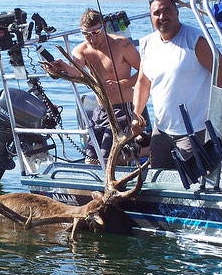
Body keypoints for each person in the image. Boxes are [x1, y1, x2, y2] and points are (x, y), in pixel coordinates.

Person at [132, 0, 222, 169]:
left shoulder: (195, 39)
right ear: (151, 17)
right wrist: (136, 115)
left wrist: (216, 117)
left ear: (176, 11)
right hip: (161, 131)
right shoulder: (147, 44)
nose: (162, 16)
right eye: (156, 13)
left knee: (194, 184)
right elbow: (143, 82)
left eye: (167, 10)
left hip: (194, 130)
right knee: (158, 180)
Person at [48, 8, 150, 165]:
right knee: (91, 161)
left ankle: (152, 148)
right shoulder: (81, 50)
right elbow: (76, 74)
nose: (91, 38)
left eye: (95, 33)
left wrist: (122, 83)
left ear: (103, 27)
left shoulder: (121, 45)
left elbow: (145, 71)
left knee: (112, 159)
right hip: (101, 110)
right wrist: (60, 67)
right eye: (86, 34)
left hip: (125, 108)